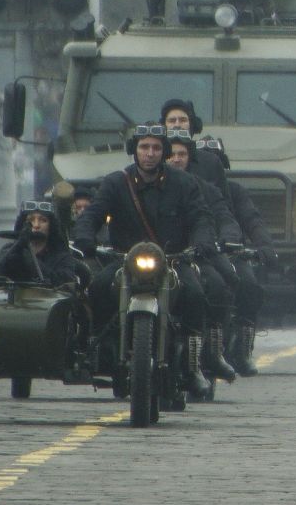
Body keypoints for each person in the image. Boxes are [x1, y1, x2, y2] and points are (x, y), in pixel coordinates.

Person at [73, 124, 225, 401]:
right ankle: (99, 350)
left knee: (195, 294)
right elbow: (92, 215)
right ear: (134, 151)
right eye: (144, 147)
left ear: (164, 152)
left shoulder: (184, 183)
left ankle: (192, 367)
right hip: (124, 260)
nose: (150, 154)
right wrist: (84, 238)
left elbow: (202, 217)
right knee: (97, 288)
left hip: (173, 261)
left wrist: (202, 243)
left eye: (156, 148)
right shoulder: (115, 183)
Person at [163, 131, 241, 383]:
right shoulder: (136, 183)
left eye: (182, 154)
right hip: (148, 256)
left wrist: (216, 241)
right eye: (172, 154)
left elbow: (221, 216)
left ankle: (212, 352)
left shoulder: (203, 188)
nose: (176, 159)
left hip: (191, 255)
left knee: (220, 284)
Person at [196, 134, 277, 376]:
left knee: (250, 286)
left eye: (215, 162)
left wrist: (264, 246)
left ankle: (241, 346)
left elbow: (252, 220)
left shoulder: (234, 192)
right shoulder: (183, 188)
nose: (210, 167)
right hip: (192, 254)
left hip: (228, 253)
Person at [0, 201, 88, 288]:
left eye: (43, 220)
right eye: (30, 221)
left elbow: (64, 284)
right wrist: (18, 249)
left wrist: (29, 257)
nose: (36, 225)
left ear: (51, 227)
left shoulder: (61, 258)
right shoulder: (10, 251)